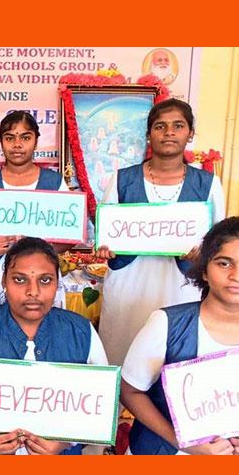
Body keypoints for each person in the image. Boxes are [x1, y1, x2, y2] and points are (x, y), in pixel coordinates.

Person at [121, 217, 239, 455]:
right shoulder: (166, 325)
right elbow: (130, 391)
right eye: (224, 263)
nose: (237, 276)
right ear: (205, 271)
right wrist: (181, 441)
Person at [0, 237, 109, 455]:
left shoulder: (81, 332)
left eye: (45, 280)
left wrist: (64, 443)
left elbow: (101, 406)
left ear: (57, 283)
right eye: (20, 280)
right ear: (4, 281)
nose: (33, 291)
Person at [96, 99, 226, 366]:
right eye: (160, 126)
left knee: (173, 357)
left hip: (182, 289)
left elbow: (218, 244)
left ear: (190, 133)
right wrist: (105, 246)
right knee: (122, 357)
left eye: (178, 126)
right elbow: (107, 232)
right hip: (127, 287)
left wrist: (205, 252)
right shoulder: (122, 179)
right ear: (148, 134)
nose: (169, 132)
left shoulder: (209, 185)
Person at [0, 111, 70, 310]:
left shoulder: (55, 183)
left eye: (25, 137)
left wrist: (41, 246)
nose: (17, 145)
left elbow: (69, 239)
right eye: (9, 138)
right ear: (1, 142)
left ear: (36, 140)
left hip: (40, 277)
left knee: (42, 335)